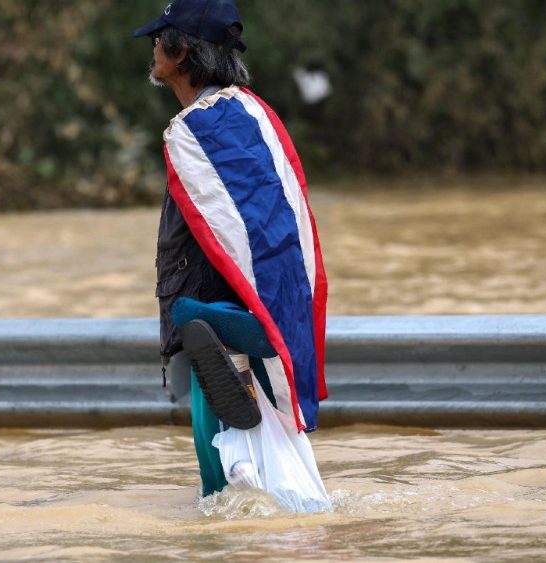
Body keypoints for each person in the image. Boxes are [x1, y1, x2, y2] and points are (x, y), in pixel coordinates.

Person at [133, 0, 329, 498]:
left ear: (180, 53)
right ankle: (232, 326)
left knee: (223, 489)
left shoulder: (196, 129)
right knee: (268, 481)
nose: (153, 48)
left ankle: (221, 323)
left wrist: (185, 316)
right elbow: (273, 228)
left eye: (161, 39)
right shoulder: (252, 114)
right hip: (248, 321)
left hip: (217, 341)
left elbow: (224, 231)